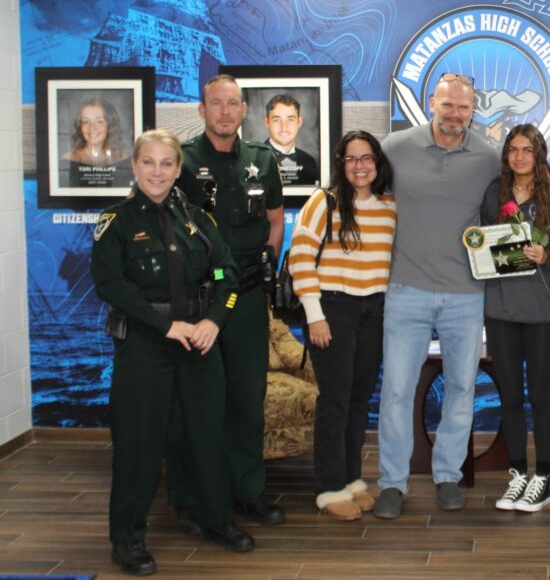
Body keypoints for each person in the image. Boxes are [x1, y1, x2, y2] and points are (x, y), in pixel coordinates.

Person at [91, 129, 254, 576]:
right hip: (147, 346)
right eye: (149, 162)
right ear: (134, 165)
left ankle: (215, 519)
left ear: (178, 169)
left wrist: (214, 321)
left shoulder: (198, 219)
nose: (158, 172)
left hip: (199, 344)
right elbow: (111, 286)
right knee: (139, 446)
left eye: (167, 164)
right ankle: (126, 539)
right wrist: (165, 325)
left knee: (207, 436)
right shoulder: (116, 221)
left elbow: (229, 276)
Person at [372, 73, 501, 519]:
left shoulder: (490, 156)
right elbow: (360, 190)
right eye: (448, 105)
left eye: (464, 108)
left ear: (473, 110)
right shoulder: (393, 147)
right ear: (431, 103)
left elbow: (519, 194)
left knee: (462, 388)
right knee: (396, 391)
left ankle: (448, 475)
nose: (455, 115)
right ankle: (392, 481)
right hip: (405, 289)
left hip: (466, 294)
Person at [171, 74, 286, 530]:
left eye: (232, 103)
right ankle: (191, 499)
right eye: (215, 103)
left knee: (246, 399)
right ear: (202, 111)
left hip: (247, 298)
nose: (224, 111)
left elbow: (276, 221)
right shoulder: (180, 160)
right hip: (199, 302)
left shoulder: (262, 160)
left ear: (243, 111)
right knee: (194, 403)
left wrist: (265, 263)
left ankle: (248, 492)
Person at [289, 130, 396, 521]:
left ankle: (352, 480)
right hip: (333, 309)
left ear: (378, 163)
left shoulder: (388, 206)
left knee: (357, 400)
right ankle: (329, 488)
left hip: (375, 310)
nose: (360, 166)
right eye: (351, 159)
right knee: (333, 401)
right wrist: (314, 315)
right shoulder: (324, 201)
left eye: (366, 158)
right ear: (341, 163)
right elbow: (300, 257)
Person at [480, 123, 550, 514]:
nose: (519, 157)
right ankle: (517, 474)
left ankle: (543, 479)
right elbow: (482, 243)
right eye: (512, 150)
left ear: (539, 154)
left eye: (527, 150)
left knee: (538, 395)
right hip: (500, 308)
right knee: (512, 397)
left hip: (542, 309)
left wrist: (547, 257)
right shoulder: (493, 193)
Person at [62, 97, 131, 187]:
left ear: (110, 125)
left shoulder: (124, 160)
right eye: (86, 121)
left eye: (99, 121)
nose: (92, 127)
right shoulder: (68, 160)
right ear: (80, 126)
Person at [264, 93, 319, 186]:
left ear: (299, 122)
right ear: (267, 122)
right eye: (276, 119)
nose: (284, 127)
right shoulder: (256, 159)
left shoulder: (310, 162)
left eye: (290, 119)